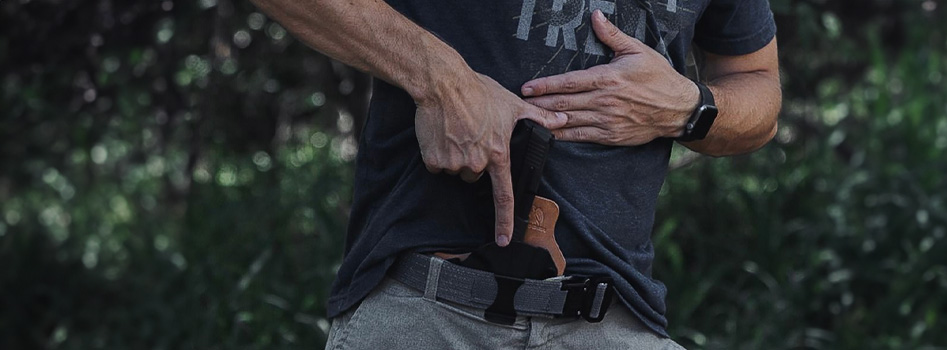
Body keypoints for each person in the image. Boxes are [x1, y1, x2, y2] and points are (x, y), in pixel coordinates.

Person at [252, 0, 781, 348]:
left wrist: (690, 106)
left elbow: (757, 85)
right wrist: (439, 79)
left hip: (616, 318)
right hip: (426, 313)